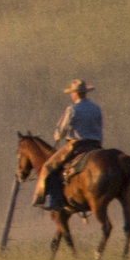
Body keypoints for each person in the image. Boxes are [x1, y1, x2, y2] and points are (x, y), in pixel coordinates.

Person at [35, 80, 103, 210]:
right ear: (85, 93)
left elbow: (61, 131)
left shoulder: (72, 109)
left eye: (72, 93)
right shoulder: (96, 108)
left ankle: (52, 199)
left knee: (48, 167)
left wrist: (57, 136)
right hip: (95, 144)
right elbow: (99, 127)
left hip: (76, 145)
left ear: (75, 94)